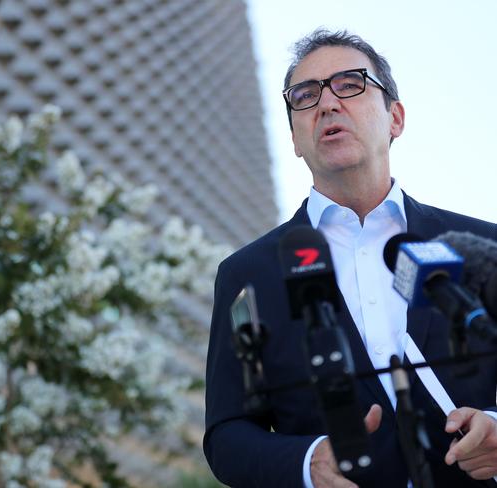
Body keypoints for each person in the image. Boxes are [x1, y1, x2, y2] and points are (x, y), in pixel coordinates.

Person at [204, 29, 497, 488]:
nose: (326, 104)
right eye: (305, 95)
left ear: (395, 118)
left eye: (350, 84)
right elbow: (227, 433)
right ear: (296, 140)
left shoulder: (481, 245)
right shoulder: (248, 274)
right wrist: (306, 462)